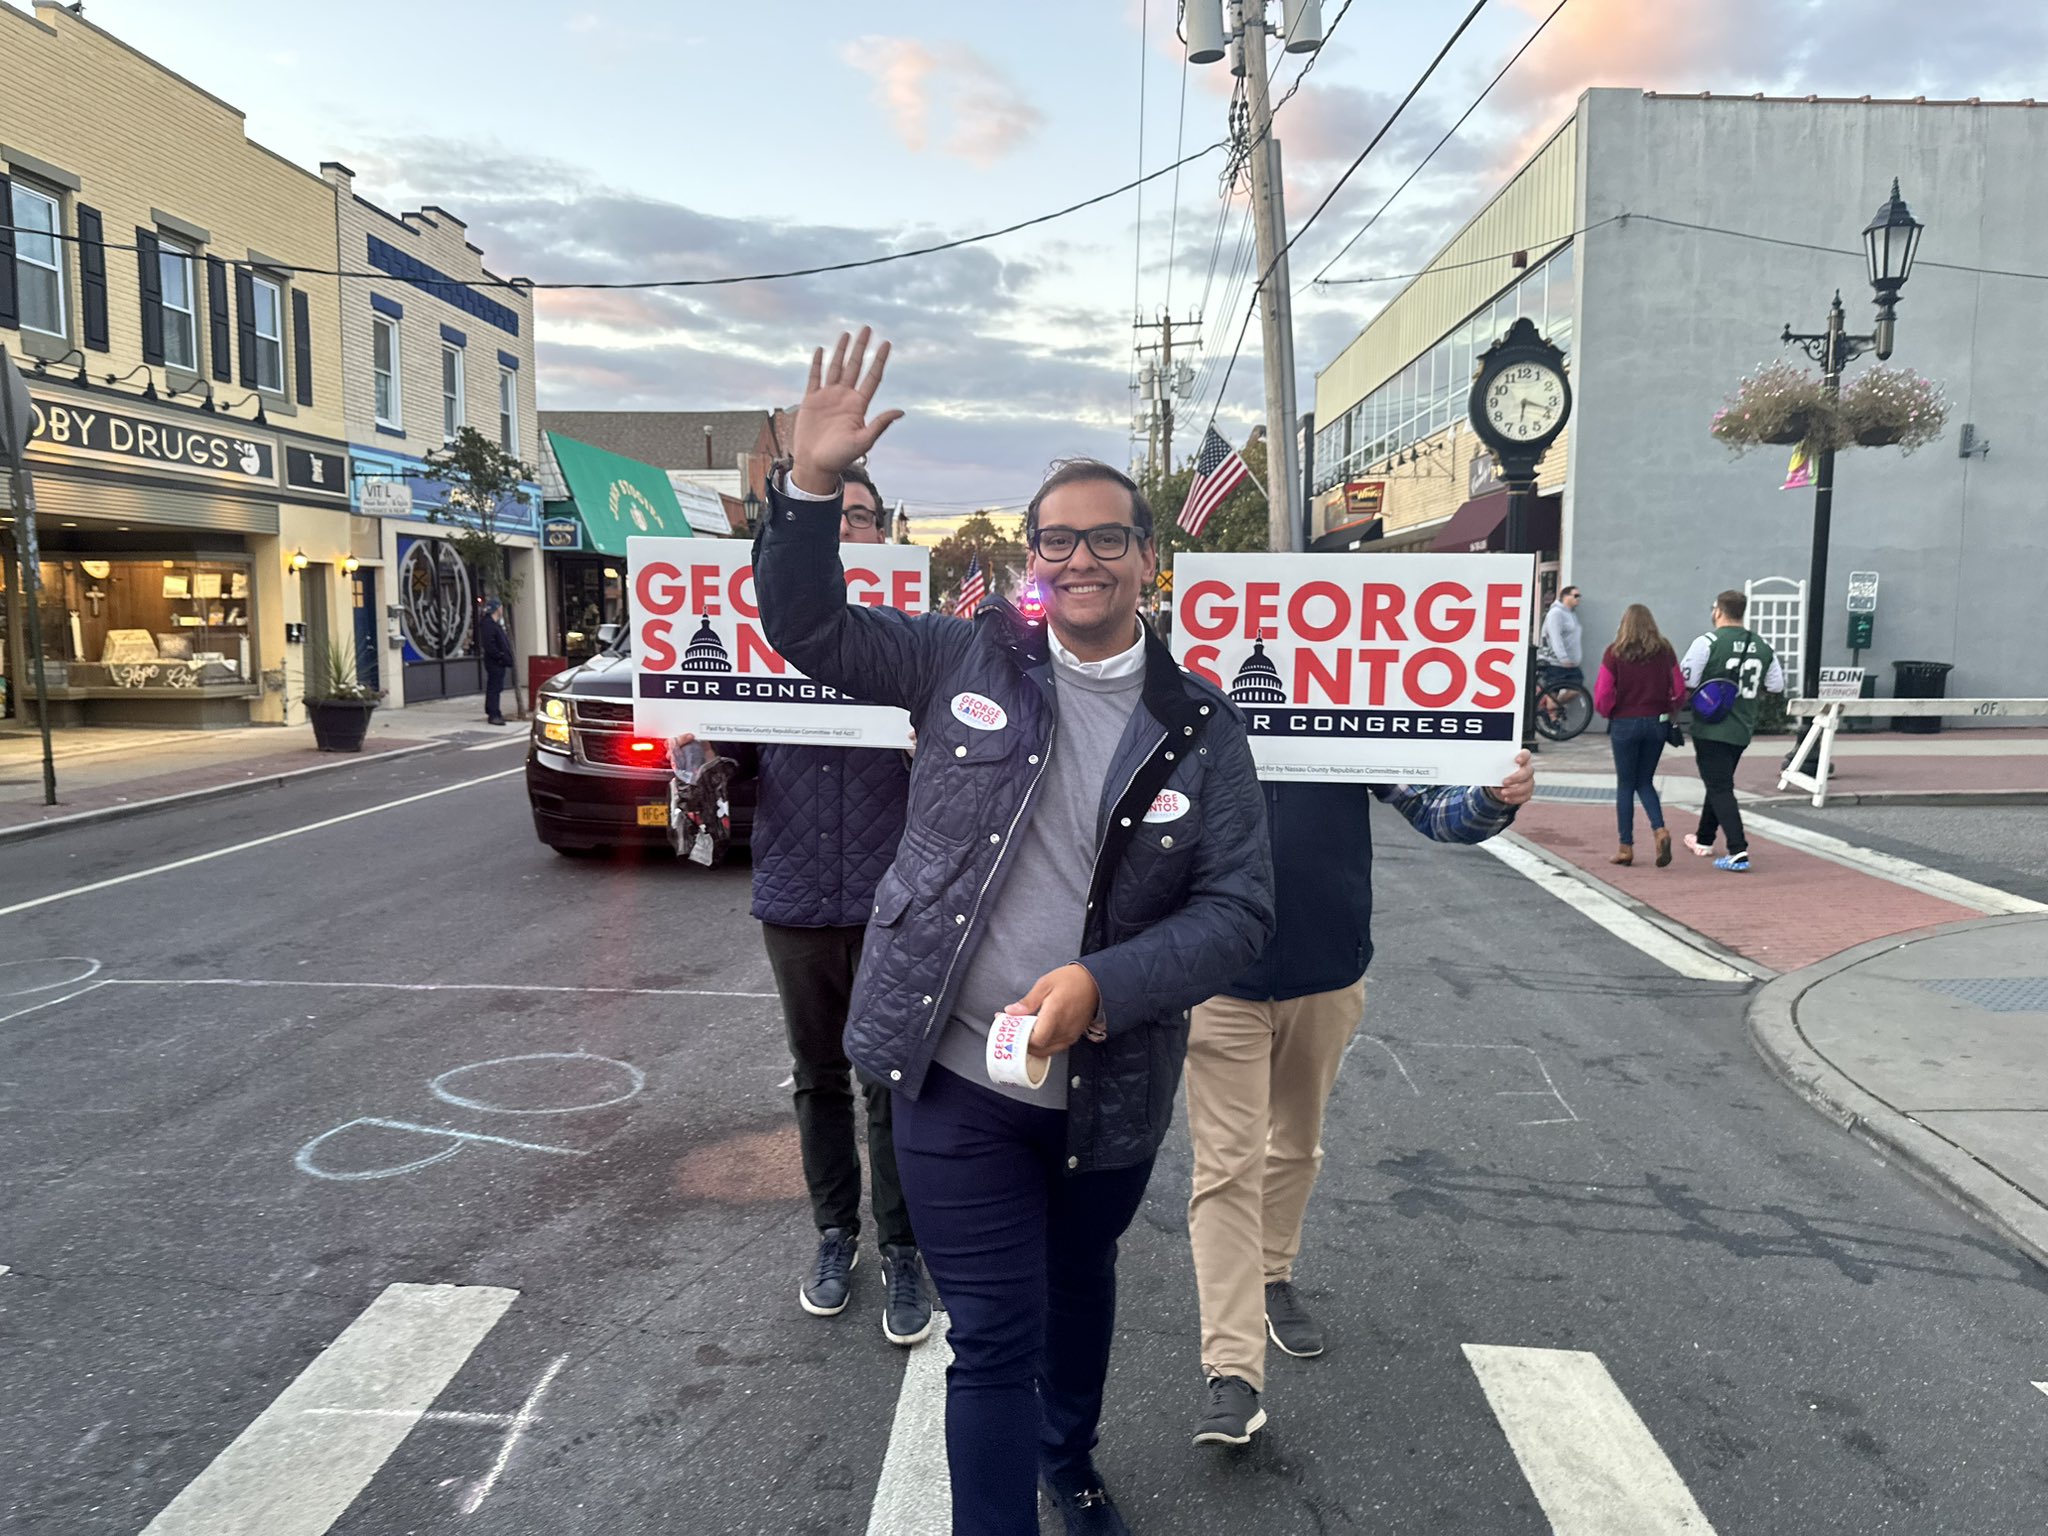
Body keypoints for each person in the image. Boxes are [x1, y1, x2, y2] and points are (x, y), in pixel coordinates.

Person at [757, 328, 1274, 1536]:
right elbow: (810, 629)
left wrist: (1106, 981)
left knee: (1078, 1287)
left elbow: (1238, 908)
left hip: (1108, 1087)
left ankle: (1070, 1456)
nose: (1080, 558)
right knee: (990, 1336)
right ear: (1032, 557)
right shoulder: (961, 658)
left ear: (1148, 555)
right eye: (1058, 539)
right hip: (954, 1075)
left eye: (1107, 537)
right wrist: (810, 490)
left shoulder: (1201, 725)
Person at [1185, 760, 1533, 1449]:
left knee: (1294, 1144)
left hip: (1325, 970)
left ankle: (1271, 1274)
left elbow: (1435, 811)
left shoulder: (1347, 707)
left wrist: (1493, 798)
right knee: (1225, 1169)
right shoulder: (1192, 705)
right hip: (1219, 977)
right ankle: (1231, 1372)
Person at [674, 464, 932, 1347]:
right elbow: (729, 746)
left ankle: (903, 1246)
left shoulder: (909, 644)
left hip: (890, 900)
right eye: (837, 517)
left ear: (883, 531)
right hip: (793, 894)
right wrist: (701, 762)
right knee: (817, 1076)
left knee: (890, 1080)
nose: (848, 530)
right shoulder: (765, 637)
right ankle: (835, 1234)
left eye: (860, 517)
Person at [1680, 588, 1784, 873]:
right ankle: (1703, 838)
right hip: (1742, 726)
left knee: (1720, 786)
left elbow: (1686, 679)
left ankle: (1738, 849)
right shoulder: (1762, 645)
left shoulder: (1707, 641)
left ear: (1718, 611)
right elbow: (1776, 686)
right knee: (1719, 782)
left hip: (1711, 725)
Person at [1593, 604, 1688, 868]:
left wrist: (1609, 711)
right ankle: (1660, 830)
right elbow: (1679, 689)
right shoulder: (1664, 650)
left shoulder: (1614, 653)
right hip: (1656, 722)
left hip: (1625, 722)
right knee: (1645, 781)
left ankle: (1626, 847)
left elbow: (1603, 694)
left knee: (1625, 785)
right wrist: (1669, 708)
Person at [1537, 584, 1583, 696]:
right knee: (1553, 693)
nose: (1578, 598)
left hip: (1570, 662)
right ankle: (1550, 710)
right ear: (1565, 596)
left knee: (1576, 689)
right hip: (1554, 662)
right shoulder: (1556, 613)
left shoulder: (1571, 614)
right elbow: (1555, 637)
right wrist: (1563, 658)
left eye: (1579, 596)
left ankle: (1553, 707)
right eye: (1575, 595)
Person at [477, 597, 515, 725]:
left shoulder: (494, 624)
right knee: (494, 688)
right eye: (500, 607)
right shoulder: (488, 625)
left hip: (498, 661)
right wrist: (500, 656)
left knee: (496, 687)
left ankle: (494, 711)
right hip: (495, 662)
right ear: (497, 609)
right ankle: (493, 714)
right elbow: (489, 645)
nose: (502, 610)